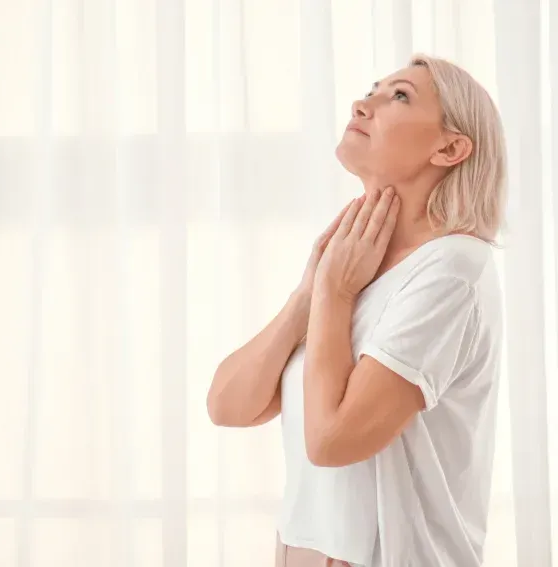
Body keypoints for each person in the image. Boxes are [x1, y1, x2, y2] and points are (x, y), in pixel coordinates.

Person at [206, 54, 507, 567]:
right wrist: (310, 294)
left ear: (451, 147)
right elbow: (227, 405)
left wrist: (334, 297)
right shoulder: (355, 269)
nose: (362, 104)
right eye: (374, 88)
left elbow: (331, 441)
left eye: (400, 96)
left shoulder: (453, 270)